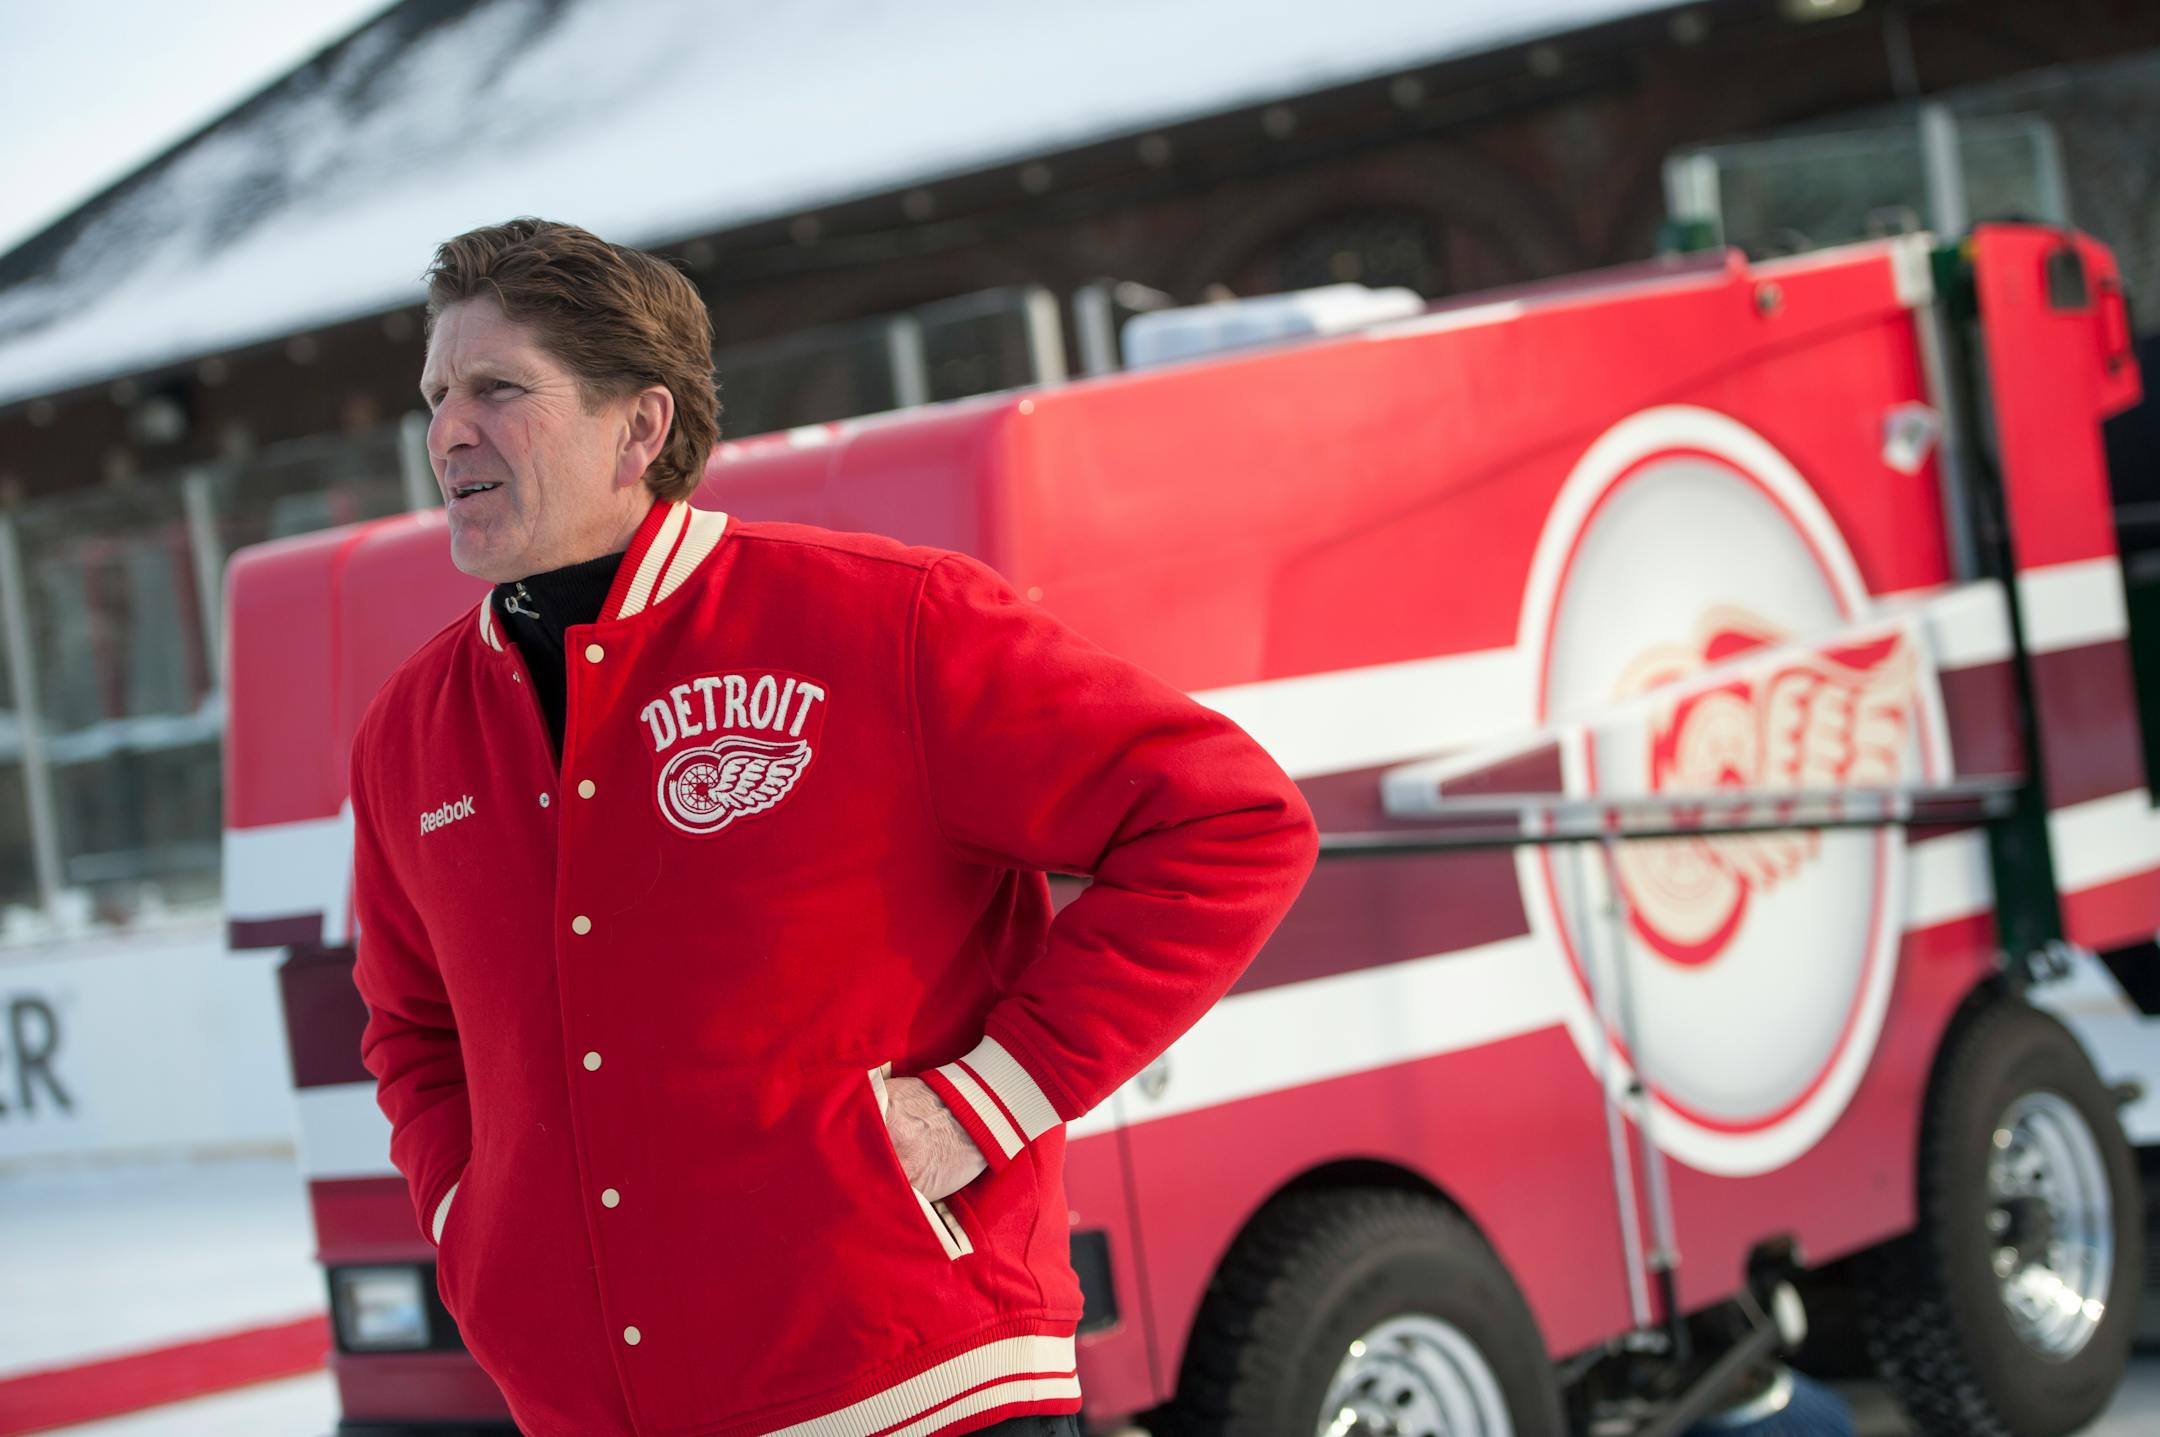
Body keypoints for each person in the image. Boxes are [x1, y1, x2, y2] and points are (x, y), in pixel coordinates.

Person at [349, 218, 1319, 1437]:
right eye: (437, 394)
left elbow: (1229, 822)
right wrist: (471, 1218)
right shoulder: (409, 733)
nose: (447, 430)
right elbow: (411, 1029)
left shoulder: (879, 623)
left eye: (498, 388)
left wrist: (983, 1107)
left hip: (918, 1390)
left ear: (639, 430)